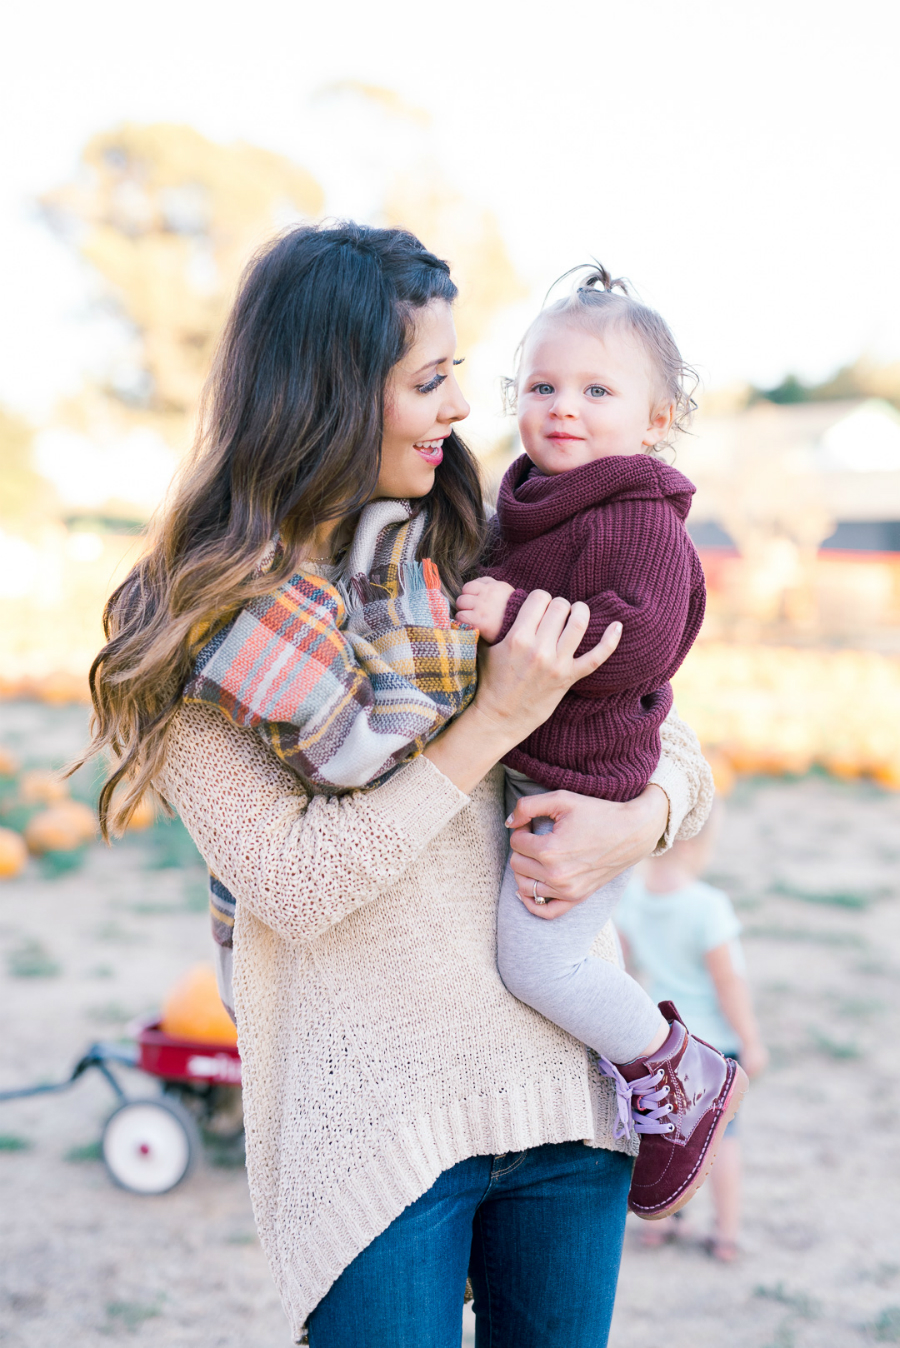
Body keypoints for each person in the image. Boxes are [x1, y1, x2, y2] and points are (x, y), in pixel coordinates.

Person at [80, 222, 714, 1348]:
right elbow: (298, 882)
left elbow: (672, 741)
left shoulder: (476, 545)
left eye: (461, 374)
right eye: (430, 380)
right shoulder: (196, 632)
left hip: (565, 1105)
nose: (464, 407)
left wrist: (639, 821)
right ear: (327, 394)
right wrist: (495, 721)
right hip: (376, 1140)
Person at [456, 269, 746, 1218]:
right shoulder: (537, 498)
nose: (563, 408)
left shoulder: (640, 519)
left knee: (539, 962)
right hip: (530, 762)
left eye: (596, 390)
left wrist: (513, 617)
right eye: (542, 387)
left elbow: (639, 644)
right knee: (560, 948)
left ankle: (676, 1068)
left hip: (585, 781)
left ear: (656, 417)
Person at [615, 805, 769, 1261]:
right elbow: (728, 983)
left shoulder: (632, 898)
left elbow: (622, 968)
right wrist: (752, 1040)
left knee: (670, 1134)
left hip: (669, 1042)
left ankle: (666, 1219)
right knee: (723, 1140)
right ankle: (726, 1231)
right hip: (714, 1049)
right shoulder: (708, 906)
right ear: (695, 844)